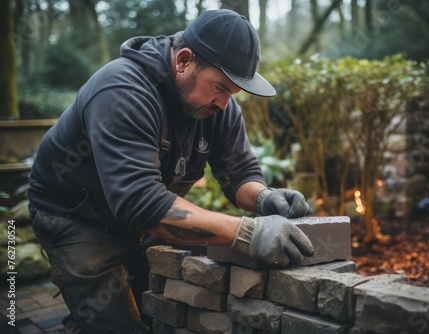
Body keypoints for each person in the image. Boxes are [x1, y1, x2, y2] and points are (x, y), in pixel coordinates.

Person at [28, 8, 314, 333]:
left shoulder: (219, 105)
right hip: (74, 217)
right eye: (220, 87)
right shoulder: (123, 91)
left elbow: (239, 173)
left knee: (154, 310)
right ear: (183, 61)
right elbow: (140, 202)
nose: (225, 103)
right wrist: (249, 233)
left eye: (234, 92)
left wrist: (265, 198)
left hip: (137, 217)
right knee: (118, 324)